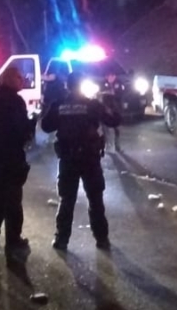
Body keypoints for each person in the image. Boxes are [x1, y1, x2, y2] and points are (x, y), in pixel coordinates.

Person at [40, 73, 119, 251]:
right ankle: (102, 239)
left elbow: (46, 126)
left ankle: (61, 239)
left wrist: (49, 108)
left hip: (68, 159)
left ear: (67, 86)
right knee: (95, 200)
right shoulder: (92, 105)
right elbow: (114, 120)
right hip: (89, 158)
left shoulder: (59, 104)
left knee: (66, 199)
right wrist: (110, 105)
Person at [0, 66, 35, 257]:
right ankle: (13, 241)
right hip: (12, 157)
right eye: (19, 77)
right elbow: (21, 132)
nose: (22, 80)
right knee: (13, 202)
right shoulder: (15, 102)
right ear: (11, 79)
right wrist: (32, 123)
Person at [99, 71, 125, 153]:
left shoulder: (119, 83)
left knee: (117, 128)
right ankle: (106, 145)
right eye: (108, 76)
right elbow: (100, 94)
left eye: (111, 76)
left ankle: (117, 146)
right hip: (106, 108)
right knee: (105, 129)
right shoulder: (103, 83)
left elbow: (121, 94)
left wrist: (113, 93)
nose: (109, 77)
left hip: (116, 109)